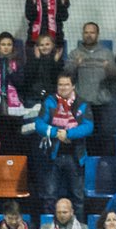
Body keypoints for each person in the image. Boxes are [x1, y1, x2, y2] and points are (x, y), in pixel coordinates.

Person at [33, 74, 93, 217]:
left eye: (67, 85)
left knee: (78, 197)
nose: (63, 88)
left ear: (73, 86)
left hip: (76, 156)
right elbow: (39, 125)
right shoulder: (50, 101)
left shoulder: (82, 103)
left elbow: (88, 127)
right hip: (53, 156)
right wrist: (56, 133)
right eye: (60, 85)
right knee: (49, 196)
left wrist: (68, 134)